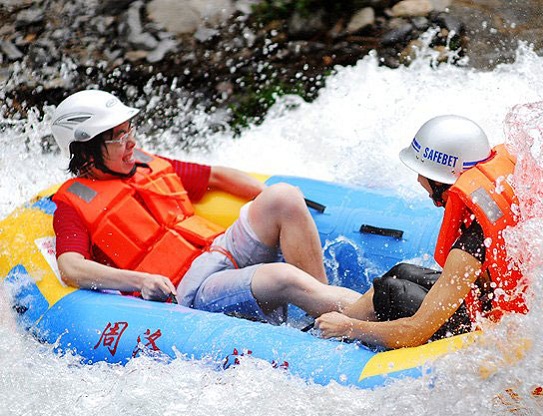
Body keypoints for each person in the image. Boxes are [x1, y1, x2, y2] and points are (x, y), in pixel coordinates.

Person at [51, 89, 360, 325]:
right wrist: (141, 280)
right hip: (192, 288)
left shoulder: (148, 164)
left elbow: (217, 176)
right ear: (86, 152)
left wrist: (271, 200)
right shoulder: (72, 205)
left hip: (221, 247)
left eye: (129, 130)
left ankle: (327, 308)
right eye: (118, 138)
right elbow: (70, 267)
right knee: (281, 277)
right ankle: (368, 317)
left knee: (284, 196)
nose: (131, 142)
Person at [315, 115, 528, 348]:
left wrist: (350, 328)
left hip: (486, 333)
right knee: (402, 271)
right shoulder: (513, 198)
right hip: (498, 307)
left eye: (424, 174)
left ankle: (334, 332)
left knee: (390, 290)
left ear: (441, 181)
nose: (418, 179)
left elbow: (414, 333)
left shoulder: (469, 248)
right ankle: (336, 323)